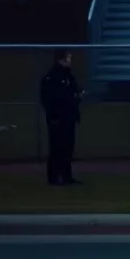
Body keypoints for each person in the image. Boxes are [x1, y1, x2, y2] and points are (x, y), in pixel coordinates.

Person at [39, 49, 83, 186]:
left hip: (69, 118)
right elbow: (48, 99)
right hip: (57, 119)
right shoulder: (51, 78)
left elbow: (75, 93)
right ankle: (53, 177)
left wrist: (78, 97)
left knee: (68, 148)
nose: (70, 61)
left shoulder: (70, 78)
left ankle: (66, 175)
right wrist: (53, 116)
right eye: (68, 58)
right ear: (60, 60)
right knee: (56, 148)